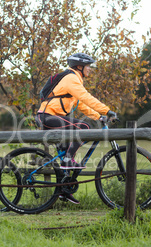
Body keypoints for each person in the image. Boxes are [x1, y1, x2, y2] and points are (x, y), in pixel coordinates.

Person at [35, 53, 117, 204]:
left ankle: (63, 190)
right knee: (83, 127)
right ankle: (67, 160)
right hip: (48, 117)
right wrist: (106, 110)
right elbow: (86, 97)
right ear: (79, 67)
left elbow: (82, 105)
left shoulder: (72, 81)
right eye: (88, 67)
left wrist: (99, 117)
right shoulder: (71, 78)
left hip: (53, 117)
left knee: (67, 149)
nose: (90, 70)